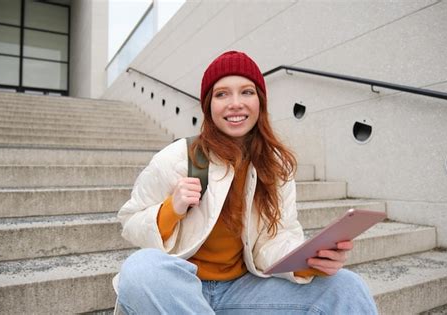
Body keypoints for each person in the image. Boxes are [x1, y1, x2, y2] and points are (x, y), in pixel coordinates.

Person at [116, 51, 378, 314]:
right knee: (140, 270)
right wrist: (171, 209)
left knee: (345, 286)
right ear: (208, 105)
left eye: (246, 92)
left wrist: (307, 261)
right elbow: (130, 221)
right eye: (222, 94)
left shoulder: (275, 166)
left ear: (260, 102)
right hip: (180, 291)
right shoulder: (177, 158)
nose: (235, 103)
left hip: (241, 292)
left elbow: (276, 239)